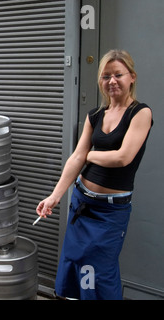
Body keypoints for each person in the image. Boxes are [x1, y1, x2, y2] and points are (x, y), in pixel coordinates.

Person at [36, 49, 153, 300]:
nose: (111, 81)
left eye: (118, 74)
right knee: (75, 260)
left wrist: (89, 155)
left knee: (100, 271)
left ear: (131, 77)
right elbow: (75, 158)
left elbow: (123, 157)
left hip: (110, 212)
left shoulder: (140, 113)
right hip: (82, 202)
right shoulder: (96, 115)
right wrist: (54, 197)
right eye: (105, 76)